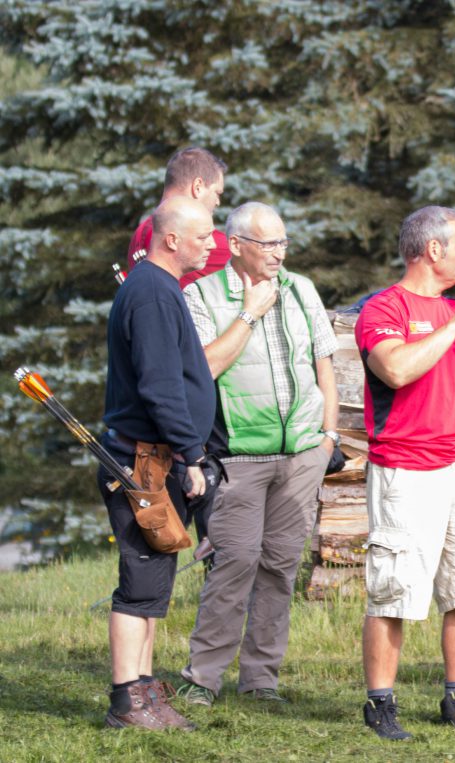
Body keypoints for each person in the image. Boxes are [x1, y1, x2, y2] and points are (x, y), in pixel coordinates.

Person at [355, 206, 455, 741]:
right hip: (404, 470)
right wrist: (453, 323)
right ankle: (380, 704)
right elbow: (397, 368)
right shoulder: (384, 307)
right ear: (432, 250)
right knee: (393, 590)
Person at [176, 202, 338, 706]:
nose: (278, 253)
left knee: (280, 565)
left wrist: (328, 436)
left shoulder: (301, 288)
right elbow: (203, 367)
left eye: (283, 242)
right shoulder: (200, 295)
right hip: (238, 455)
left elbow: (324, 364)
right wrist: (251, 312)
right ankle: (202, 678)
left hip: (303, 453)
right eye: (268, 244)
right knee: (235, 562)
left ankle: (261, 680)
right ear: (237, 245)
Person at [99, 197, 217, 730]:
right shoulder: (149, 291)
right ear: (171, 239)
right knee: (140, 583)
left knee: (154, 581)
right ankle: (128, 701)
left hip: (154, 458)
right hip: (141, 461)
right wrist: (191, 455)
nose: (212, 245)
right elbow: (160, 385)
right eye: (203, 237)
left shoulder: (159, 287)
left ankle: (146, 692)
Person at [127, 146, 231, 289]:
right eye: (217, 193)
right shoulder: (200, 240)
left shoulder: (140, 233)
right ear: (198, 187)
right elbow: (256, 257)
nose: (218, 202)